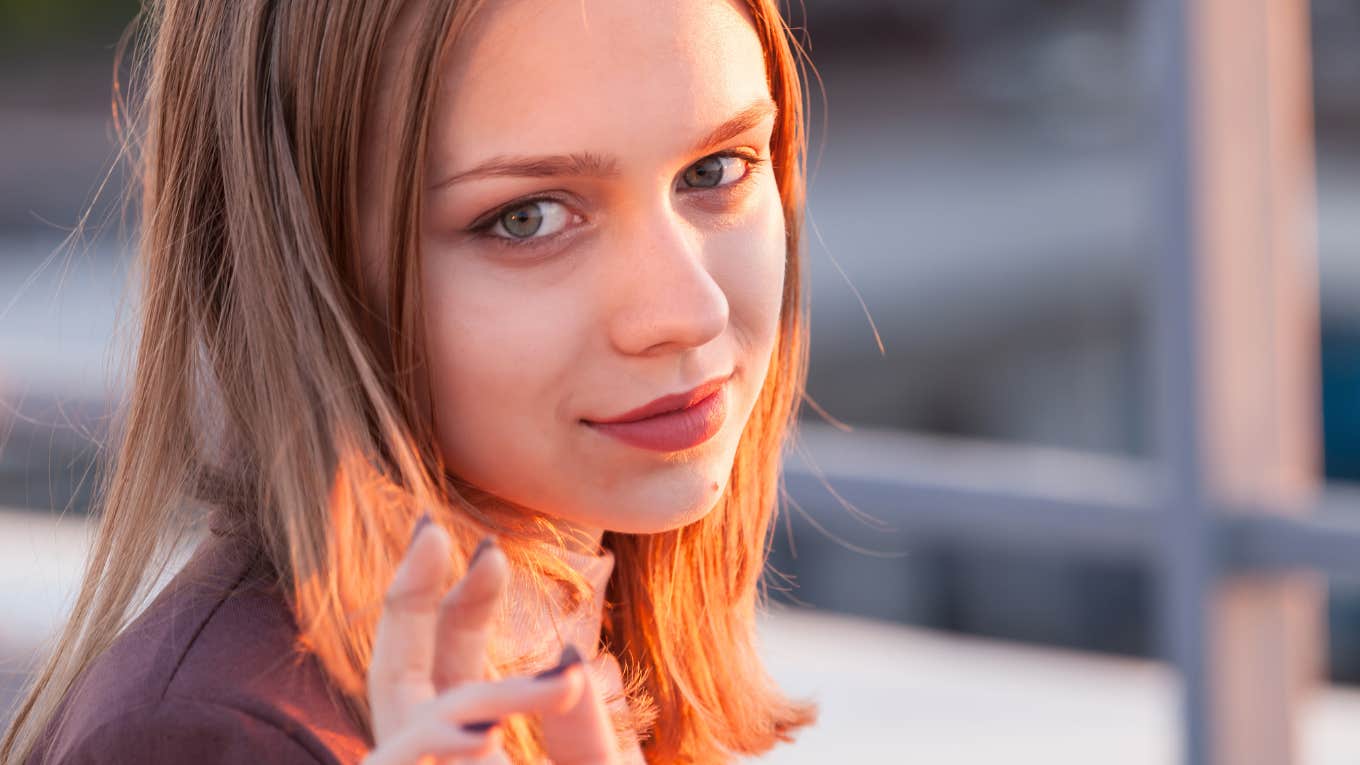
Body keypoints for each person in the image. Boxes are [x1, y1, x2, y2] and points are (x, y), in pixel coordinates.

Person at [0, 0, 816, 762]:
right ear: (302, 257)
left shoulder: (595, 624)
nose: (690, 309)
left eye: (715, 169)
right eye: (526, 216)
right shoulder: (213, 733)